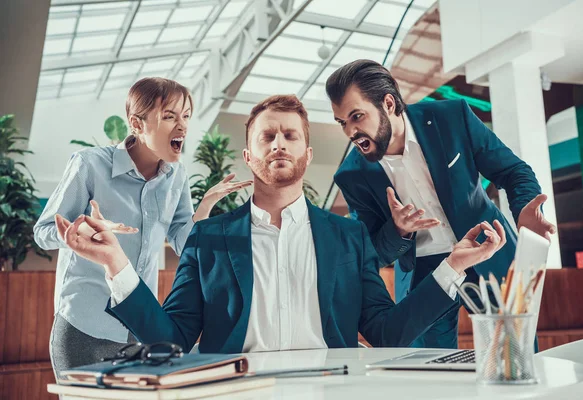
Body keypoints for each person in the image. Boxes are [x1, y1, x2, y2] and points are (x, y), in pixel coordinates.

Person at [54, 94, 506, 354]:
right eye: (266, 136)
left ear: (307, 156)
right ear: (249, 157)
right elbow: (171, 337)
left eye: (290, 135)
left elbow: (387, 332)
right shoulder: (208, 240)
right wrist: (116, 263)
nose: (278, 144)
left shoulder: (349, 239)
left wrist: (454, 265)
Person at [326, 59, 556, 349]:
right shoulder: (351, 175)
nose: (350, 132)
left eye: (357, 116)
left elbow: (512, 171)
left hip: (488, 252)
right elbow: (374, 254)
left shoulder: (451, 117)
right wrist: (398, 231)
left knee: (513, 359)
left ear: (387, 103)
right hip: (423, 277)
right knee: (431, 370)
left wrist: (524, 210)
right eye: (342, 122)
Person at [34, 77, 252, 375]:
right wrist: (85, 230)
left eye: (186, 116)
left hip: (139, 330)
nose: (182, 126)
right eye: (169, 116)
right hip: (83, 327)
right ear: (136, 123)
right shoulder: (89, 165)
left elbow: (182, 242)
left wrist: (205, 206)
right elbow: (44, 231)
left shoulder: (176, 175)